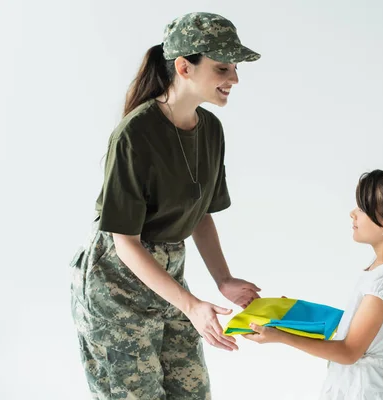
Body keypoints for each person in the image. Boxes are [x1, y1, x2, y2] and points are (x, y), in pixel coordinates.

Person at [69, 12, 261, 399]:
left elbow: (201, 213)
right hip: (115, 284)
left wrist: (223, 280)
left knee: (192, 391)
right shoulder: (134, 134)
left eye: (235, 68)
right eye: (223, 67)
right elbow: (125, 242)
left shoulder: (211, 130)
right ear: (183, 67)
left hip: (170, 277)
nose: (234, 79)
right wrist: (191, 305)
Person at [245, 170, 383, 400]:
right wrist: (299, 314)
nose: (352, 213)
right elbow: (360, 325)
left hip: (366, 392)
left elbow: (349, 352)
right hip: (360, 387)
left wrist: (280, 337)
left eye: (362, 209)